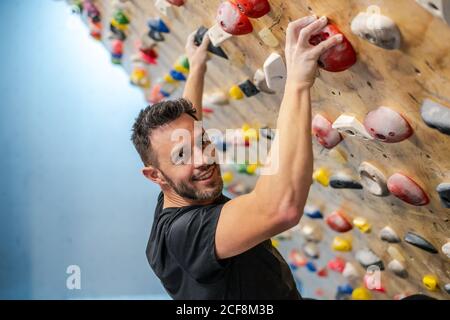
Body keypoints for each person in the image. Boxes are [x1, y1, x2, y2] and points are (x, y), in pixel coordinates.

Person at [131, 15, 343, 299]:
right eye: (182, 155)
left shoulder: (173, 189)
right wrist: (298, 81)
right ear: (154, 176)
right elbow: (281, 209)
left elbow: (187, 126)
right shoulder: (184, 235)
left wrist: (197, 66)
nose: (202, 158)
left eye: (202, 143)